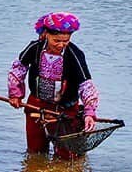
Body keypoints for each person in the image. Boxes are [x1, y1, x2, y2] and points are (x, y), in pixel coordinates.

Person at [7, 12, 99, 156]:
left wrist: (89, 112)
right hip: (36, 106)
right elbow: (18, 68)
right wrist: (15, 94)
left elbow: (85, 84)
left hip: (65, 111)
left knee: (67, 155)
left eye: (66, 41)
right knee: (35, 152)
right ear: (46, 34)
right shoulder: (35, 48)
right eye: (57, 40)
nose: (61, 45)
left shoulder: (75, 54)